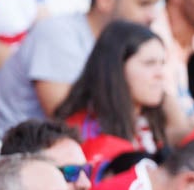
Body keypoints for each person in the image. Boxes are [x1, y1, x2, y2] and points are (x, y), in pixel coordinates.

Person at [0, 0, 163, 127]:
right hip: (14, 153)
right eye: (143, 3)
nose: (152, 15)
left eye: (155, 4)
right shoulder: (59, 35)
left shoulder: (127, 46)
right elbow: (68, 121)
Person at [52, 22, 169, 167]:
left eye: (162, 63)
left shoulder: (150, 120)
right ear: (116, 70)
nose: (160, 74)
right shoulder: (81, 131)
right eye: (149, 63)